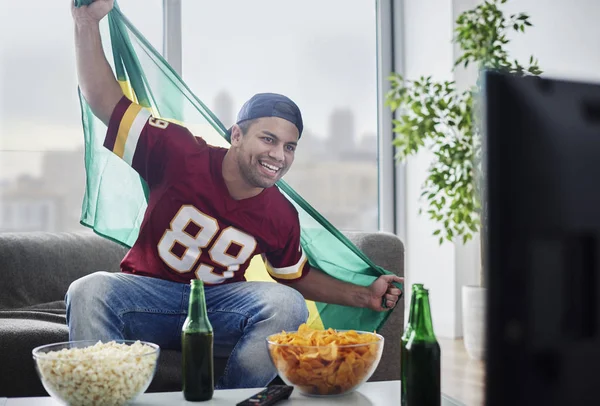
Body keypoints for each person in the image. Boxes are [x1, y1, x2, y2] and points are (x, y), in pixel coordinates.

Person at [67, 0, 404, 389]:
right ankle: (100, 397)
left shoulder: (280, 215)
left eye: (290, 146)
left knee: (287, 304)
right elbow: (104, 101)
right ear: (236, 135)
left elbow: (297, 277)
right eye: (269, 139)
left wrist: (364, 297)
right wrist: (85, 21)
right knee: (88, 289)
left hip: (219, 311)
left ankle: (236, 401)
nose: (279, 155)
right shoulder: (178, 152)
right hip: (147, 299)